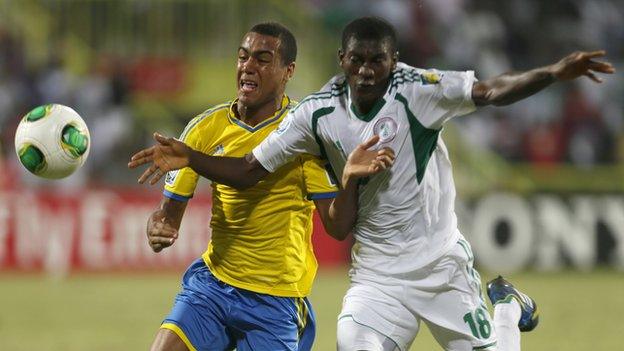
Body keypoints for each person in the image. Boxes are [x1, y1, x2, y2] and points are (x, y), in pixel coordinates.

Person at [129, 17, 614, 351]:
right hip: (375, 276)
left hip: (439, 263)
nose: (366, 70)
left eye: (376, 60)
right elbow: (249, 170)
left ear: (393, 61)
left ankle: (506, 306)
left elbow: (489, 91)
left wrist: (553, 72)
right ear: (341, 60)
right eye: (357, 59)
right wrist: (190, 161)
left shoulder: (421, 90)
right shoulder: (316, 117)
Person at [143, 22, 392, 351]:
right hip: (213, 287)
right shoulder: (204, 129)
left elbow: (337, 226)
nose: (248, 66)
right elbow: (168, 217)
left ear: (288, 70)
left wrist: (349, 180)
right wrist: (158, 226)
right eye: (243, 57)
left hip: (275, 300)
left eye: (262, 59)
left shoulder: (304, 135)